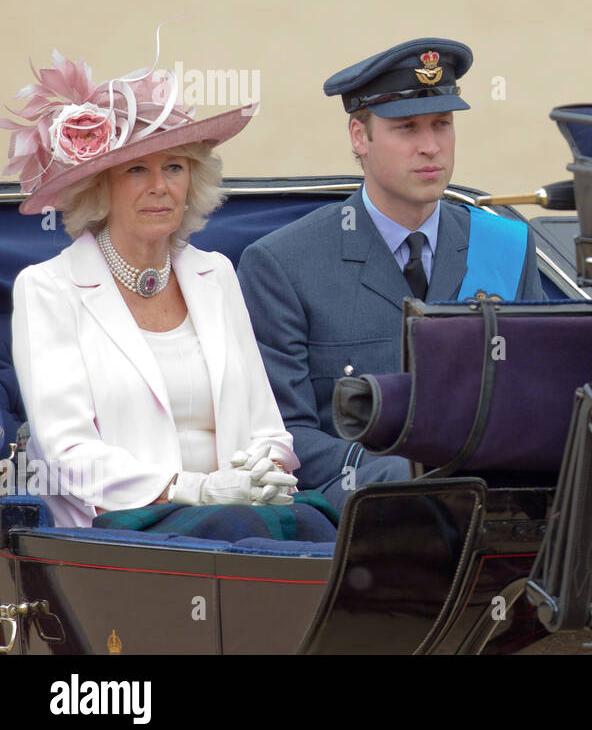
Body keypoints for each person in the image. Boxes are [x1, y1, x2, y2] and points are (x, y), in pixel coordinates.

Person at [238, 38, 544, 509]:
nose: (430, 147)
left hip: (496, 514)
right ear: (360, 137)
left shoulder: (507, 244)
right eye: (406, 128)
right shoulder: (284, 264)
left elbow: (534, 396)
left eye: (442, 124)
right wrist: (404, 475)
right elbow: (282, 435)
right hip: (365, 522)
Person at [6, 49, 301, 527]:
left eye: (175, 167)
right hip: (125, 523)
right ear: (100, 188)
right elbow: (68, 453)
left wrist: (263, 472)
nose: (160, 186)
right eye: (137, 170)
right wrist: (197, 490)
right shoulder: (47, 289)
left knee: (321, 528)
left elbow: (267, 426)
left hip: (239, 512)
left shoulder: (217, 274)